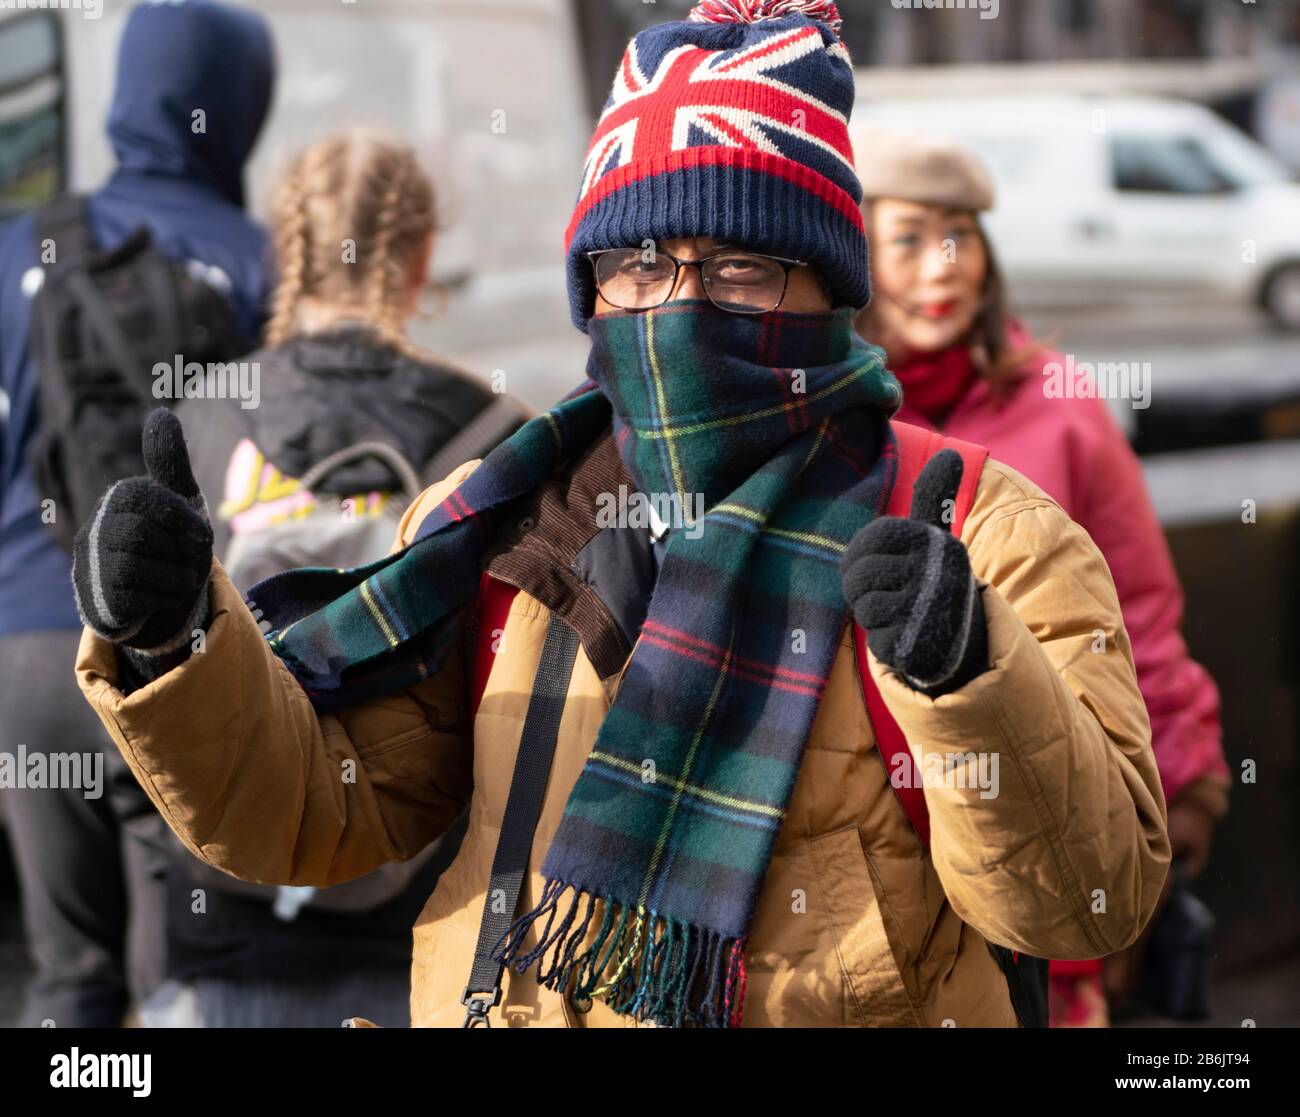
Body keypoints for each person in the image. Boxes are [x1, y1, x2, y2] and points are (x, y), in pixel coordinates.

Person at [70, 0, 1169, 1028]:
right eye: (637, 263)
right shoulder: (503, 517)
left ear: (828, 289)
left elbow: (1087, 901)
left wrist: (967, 674)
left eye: (739, 267)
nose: (677, 305)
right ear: (592, 286)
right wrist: (179, 641)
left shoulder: (978, 528)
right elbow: (315, 811)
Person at [852, 127, 1230, 1026]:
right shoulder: (837, 423)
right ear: (855, 254)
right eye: (908, 238)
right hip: (881, 870)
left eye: (963, 235)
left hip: (1046, 826)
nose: (942, 267)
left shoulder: (1061, 404)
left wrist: (1178, 783)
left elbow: (1137, 606)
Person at [144, 132, 522, 1028]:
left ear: (287, 250)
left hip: (234, 899)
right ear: (422, 253)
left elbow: (143, 662)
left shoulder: (199, 413)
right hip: (423, 911)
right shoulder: (498, 431)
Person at [0, 0, 273, 1027]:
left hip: (26, 653)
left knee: (68, 978)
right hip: (172, 655)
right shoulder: (256, 260)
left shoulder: (18, 250)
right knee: (181, 984)